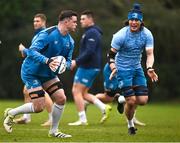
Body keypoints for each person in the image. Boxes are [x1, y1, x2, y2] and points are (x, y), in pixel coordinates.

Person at [3, 10, 78, 138]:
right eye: (74, 21)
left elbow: (69, 61)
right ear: (66, 21)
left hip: (48, 74)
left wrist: (63, 65)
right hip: (31, 72)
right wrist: (47, 61)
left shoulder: (70, 41)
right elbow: (31, 52)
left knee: (61, 98)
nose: (76, 24)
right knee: (39, 107)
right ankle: (12, 113)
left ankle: (54, 131)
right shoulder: (47, 34)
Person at [107, 3, 158, 135]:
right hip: (122, 69)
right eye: (132, 20)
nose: (134, 22)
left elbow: (150, 54)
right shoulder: (120, 35)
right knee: (132, 100)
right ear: (128, 20)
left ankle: (120, 99)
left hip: (137, 68)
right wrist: (113, 67)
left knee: (142, 101)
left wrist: (149, 68)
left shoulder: (147, 34)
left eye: (137, 20)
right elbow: (110, 55)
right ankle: (130, 126)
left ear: (141, 22)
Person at [68, 10, 111, 126]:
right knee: (83, 93)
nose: (80, 21)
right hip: (91, 66)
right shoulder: (90, 32)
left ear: (90, 20)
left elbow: (90, 51)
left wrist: (76, 62)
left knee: (75, 91)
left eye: (83, 19)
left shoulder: (92, 32)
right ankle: (103, 107)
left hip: (88, 66)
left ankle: (82, 120)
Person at [14, 13, 53, 127]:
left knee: (43, 93)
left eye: (38, 21)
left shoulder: (44, 34)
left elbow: (35, 53)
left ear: (44, 22)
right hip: (36, 68)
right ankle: (26, 117)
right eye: (34, 21)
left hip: (40, 69)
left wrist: (23, 49)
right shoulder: (37, 35)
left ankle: (52, 118)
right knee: (26, 91)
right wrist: (25, 52)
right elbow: (32, 53)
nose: (35, 23)